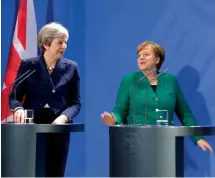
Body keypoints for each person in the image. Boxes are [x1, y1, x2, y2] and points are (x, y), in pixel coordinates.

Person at [101, 41, 213, 155]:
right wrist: (113, 118)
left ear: (157, 59)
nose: (141, 57)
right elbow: (120, 110)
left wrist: (198, 138)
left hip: (166, 143)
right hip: (136, 144)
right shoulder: (129, 80)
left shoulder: (170, 81)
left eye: (146, 54)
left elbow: (185, 113)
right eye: (139, 55)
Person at [9, 22, 81, 176]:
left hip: (58, 126)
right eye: (60, 42)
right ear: (46, 44)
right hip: (32, 127)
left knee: (55, 172)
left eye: (65, 42)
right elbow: (14, 96)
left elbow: (76, 103)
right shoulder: (29, 65)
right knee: (32, 171)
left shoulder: (71, 67)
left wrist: (64, 117)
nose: (64, 46)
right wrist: (18, 108)